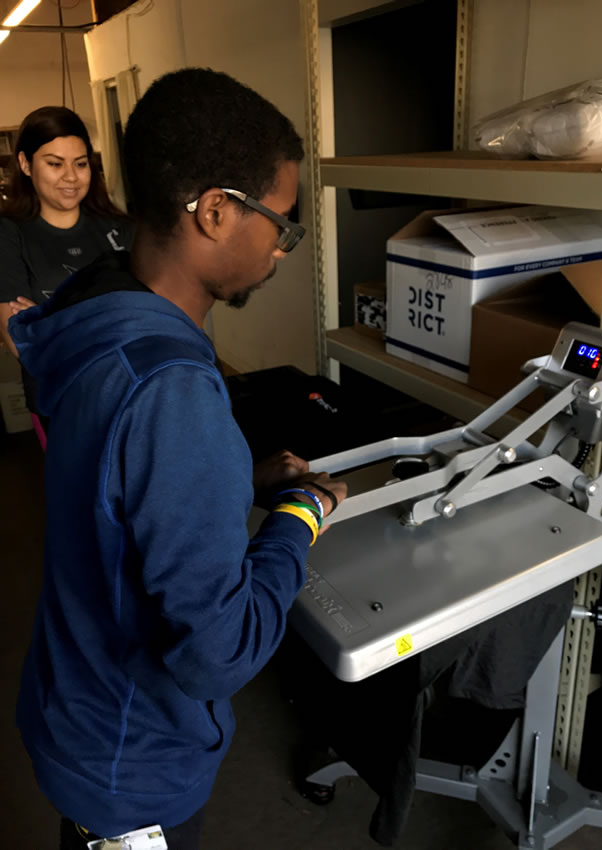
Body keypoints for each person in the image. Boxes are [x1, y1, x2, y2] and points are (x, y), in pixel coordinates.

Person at [9, 68, 346, 850]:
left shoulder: (102, 316)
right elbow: (215, 652)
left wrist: (236, 479)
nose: (282, 249)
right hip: (133, 763)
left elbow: (114, 483)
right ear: (218, 212)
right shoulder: (175, 392)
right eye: (282, 224)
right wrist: (300, 516)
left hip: (77, 703)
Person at [0, 105, 134, 436]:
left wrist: (49, 322)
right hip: (59, 399)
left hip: (129, 389)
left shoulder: (120, 229)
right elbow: (15, 333)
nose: (71, 177)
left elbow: (144, 315)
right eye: (55, 164)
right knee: (82, 487)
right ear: (25, 164)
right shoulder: (9, 233)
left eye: (81, 163)